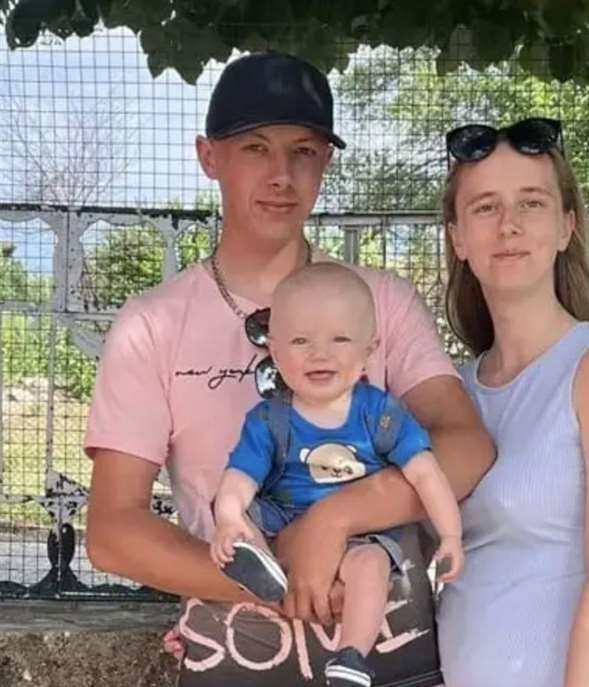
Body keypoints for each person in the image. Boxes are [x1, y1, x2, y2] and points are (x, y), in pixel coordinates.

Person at [84, 51, 494, 687]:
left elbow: (465, 446)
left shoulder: (380, 301)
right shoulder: (153, 325)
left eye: (303, 150)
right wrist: (277, 575)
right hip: (239, 659)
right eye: (254, 148)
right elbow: (114, 530)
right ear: (208, 156)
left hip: (394, 653)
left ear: (325, 163)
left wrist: (335, 521)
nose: (281, 175)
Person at [436, 117, 589, 687]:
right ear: (458, 238)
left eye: (531, 204)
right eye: (485, 207)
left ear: (566, 227)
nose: (509, 225)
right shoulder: (449, 394)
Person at [210, 262, 464, 687]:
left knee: (371, 564)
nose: (319, 353)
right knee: (235, 506)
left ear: (370, 349)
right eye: (300, 340)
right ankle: (261, 564)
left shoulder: (380, 414)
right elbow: (240, 476)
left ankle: (351, 657)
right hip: (286, 522)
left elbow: (427, 474)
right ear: (274, 348)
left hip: (360, 535)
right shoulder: (269, 419)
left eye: (340, 339)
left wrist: (451, 535)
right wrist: (229, 516)